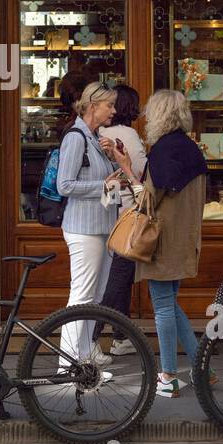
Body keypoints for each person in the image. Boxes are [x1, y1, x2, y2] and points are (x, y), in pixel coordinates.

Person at [107, 89, 208, 396]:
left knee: (162, 306)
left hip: (161, 240)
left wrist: (125, 169)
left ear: (160, 115)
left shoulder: (164, 150)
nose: (146, 117)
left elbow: (148, 201)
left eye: (151, 112)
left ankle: (167, 376)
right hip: (184, 236)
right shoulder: (191, 149)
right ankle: (202, 368)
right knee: (171, 305)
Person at [55, 81, 119, 368]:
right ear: (93, 106)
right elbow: (65, 185)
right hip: (84, 229)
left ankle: (84, 356)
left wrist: (111, 160)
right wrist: (103, 184)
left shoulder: (94, 137)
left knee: (94, 297)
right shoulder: (76, 137)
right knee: (81, 296)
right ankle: (68, 363)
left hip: (101, 228)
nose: (114, 111)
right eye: (109, 105)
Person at [96, 84, 147, 356]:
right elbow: (139, 170)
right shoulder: (127, 134)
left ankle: (121, 336)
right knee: (118, 278)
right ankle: (92, 335)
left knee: (119, 277)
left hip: (104, 216)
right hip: (126, 217)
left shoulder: (99, 132)